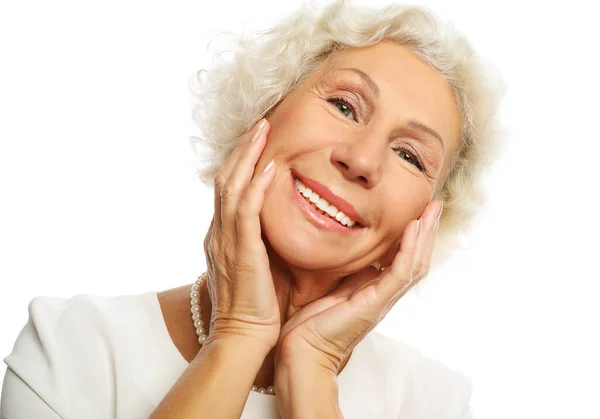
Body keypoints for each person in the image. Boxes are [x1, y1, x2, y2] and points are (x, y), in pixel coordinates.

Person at [1, 1, 505, 417]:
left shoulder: (433, 401)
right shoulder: (69, 349)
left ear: (424, 222)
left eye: (409, 156)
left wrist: (312, 368)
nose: (361, 160)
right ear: (262, 108)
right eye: (344, 106)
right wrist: (238, 335)